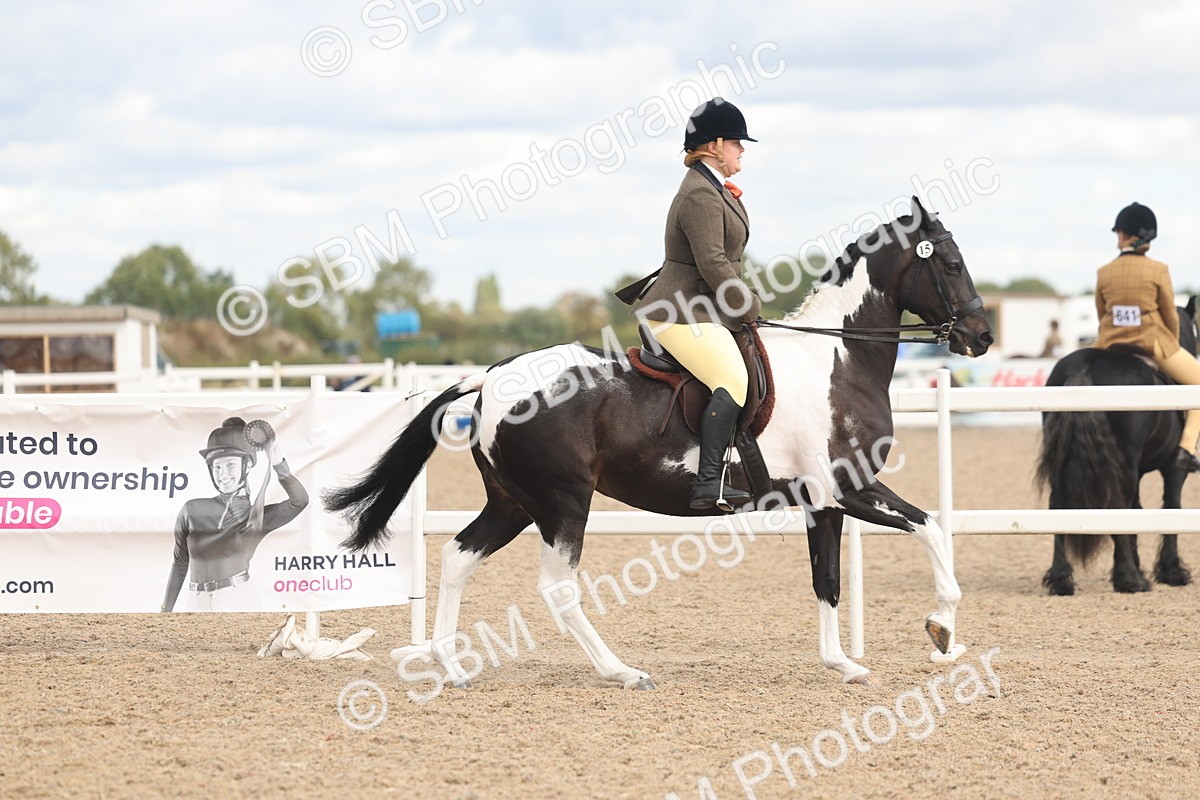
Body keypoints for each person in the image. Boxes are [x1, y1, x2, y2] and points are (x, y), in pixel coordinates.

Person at [626, 97, 762, 510]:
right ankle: (708, 483)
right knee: (733, 380)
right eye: (737, 142)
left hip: (702, 308)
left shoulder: (715, 190)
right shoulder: (700, 194)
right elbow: (714, 263)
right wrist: (750, 307)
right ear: (715, 145)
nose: (742, 149)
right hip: (680, 312)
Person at [161, 417, 309, 611]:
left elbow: (300, 501)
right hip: (195, 601)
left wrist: (278, 464)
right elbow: (180, 562)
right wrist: (166, 610)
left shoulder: (256, 517)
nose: (223, 474)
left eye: (230, 464)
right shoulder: (191, 509)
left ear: (247, 465)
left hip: (238, 598)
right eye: (217, 467)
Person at [1094, 202, 1200, 472]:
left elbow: (1101, 312)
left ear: (1123, 235)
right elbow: (1170, 315)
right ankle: (1185, 450)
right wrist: (1172, 343)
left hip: (1108, 343)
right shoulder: (1159, 270)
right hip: (1152, 343)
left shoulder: (1104, 272)